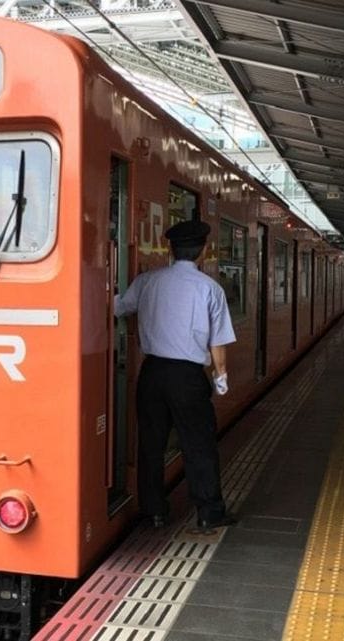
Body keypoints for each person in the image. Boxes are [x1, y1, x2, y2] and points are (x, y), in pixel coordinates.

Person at [115, 219, 237, 532]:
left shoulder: (147, 281)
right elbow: (218, 341)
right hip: (188, 376)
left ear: (171, 249)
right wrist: (220, 375)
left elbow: (118, 308)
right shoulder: (210, 289)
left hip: (152, 372)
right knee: (198, 444)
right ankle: (209, 513)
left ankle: (153, 511)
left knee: (151, 445)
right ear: (204, 251)